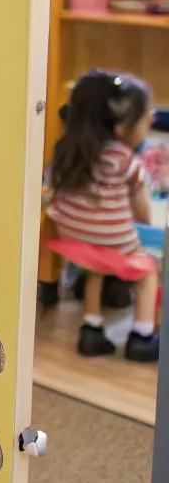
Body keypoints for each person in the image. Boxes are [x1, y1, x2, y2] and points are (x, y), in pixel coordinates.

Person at [48, 69, 160, 362]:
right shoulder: (125, 161)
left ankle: (92, 328)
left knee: (95, 267)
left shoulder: (70, 150)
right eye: (146, 118)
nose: (151, 122)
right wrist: (147, 219)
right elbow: (144, 214)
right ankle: (142, 336)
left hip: (73, 239)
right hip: (111, 243)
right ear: (122, 128)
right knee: (148, 272)